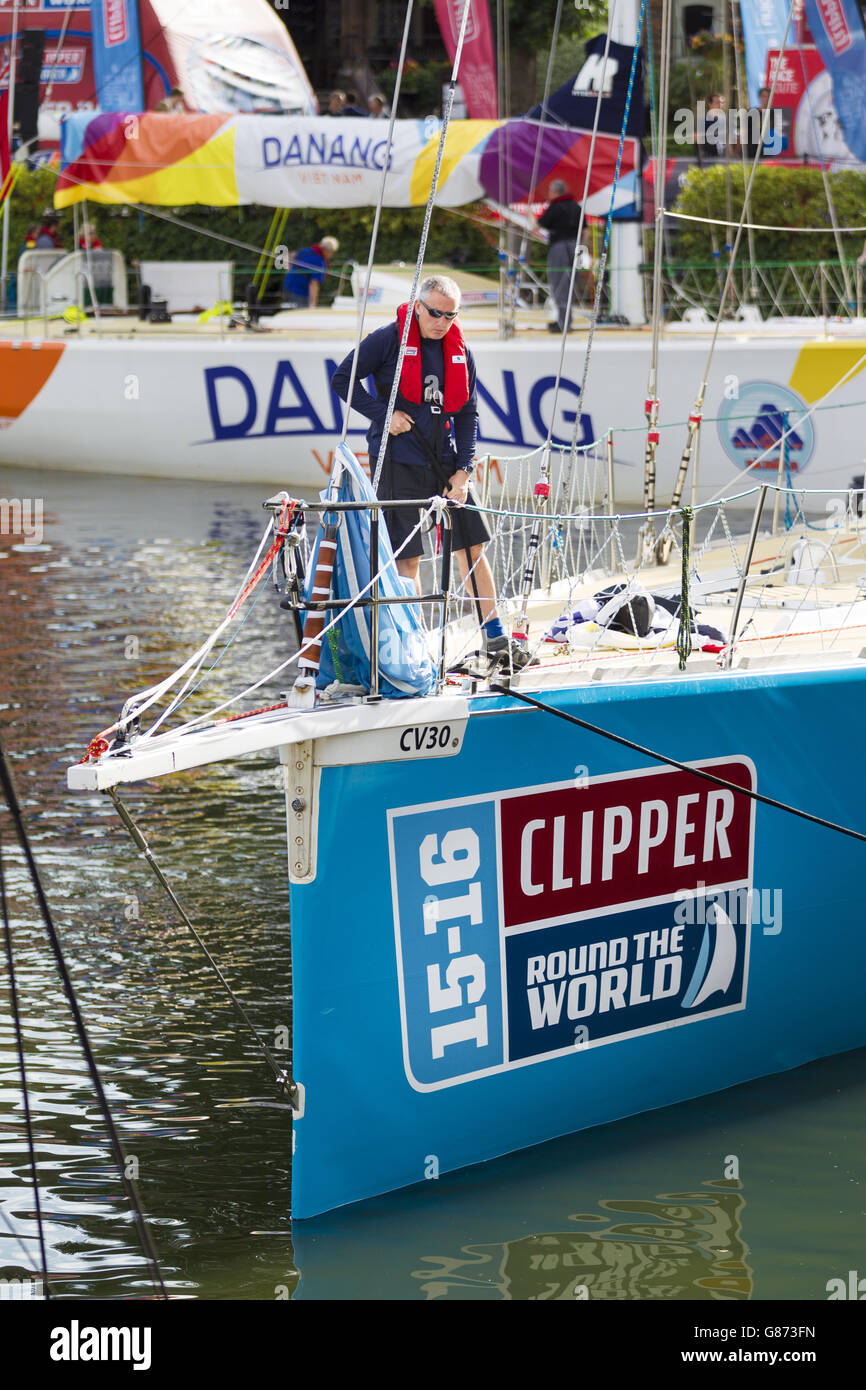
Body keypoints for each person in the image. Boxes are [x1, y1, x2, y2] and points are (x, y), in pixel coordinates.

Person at [331, 273, 532, 671]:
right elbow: (343, 378)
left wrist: (464, 470)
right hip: (397, 459)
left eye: (451, 315)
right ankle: (415, 646)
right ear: (419, 307)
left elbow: (469, 414)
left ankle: (494, 636)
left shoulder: (461, 350)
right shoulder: (388, 339)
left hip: (445, 461)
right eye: (436, 313)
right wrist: (383, 415)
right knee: (409, 557)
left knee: (472, 547)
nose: (442, 322)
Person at [537, 180, 582, 334]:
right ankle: (566, 320)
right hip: (576, 247)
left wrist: (530, 215)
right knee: (571, 284)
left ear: (554, 192)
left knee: (559, 285)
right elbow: (586, 230)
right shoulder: (576, 207)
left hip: (560, 248)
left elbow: (537, 226)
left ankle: (564, 323)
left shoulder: (555, 207)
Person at [282, 236, 339, 308]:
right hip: (299, 293)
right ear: (329, 251)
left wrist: (288, 275)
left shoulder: (307, 251)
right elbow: (314, 284)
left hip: (287, 287)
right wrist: (313, 304)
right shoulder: (320, 262)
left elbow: (290, 256)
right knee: (302, 315)